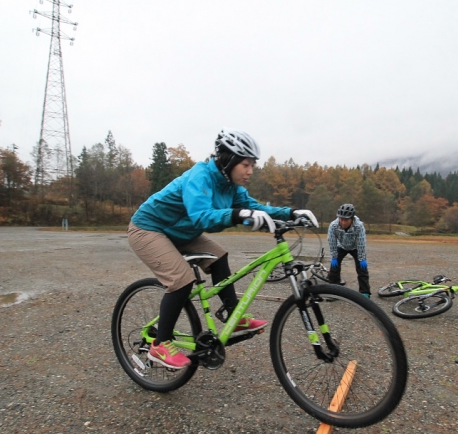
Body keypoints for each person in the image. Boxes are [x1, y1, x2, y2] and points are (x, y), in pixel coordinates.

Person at [127, 128, 319, 369]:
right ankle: (160, 343)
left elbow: (252, 206)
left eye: (252, 165)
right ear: (229, 161)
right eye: (246, 165)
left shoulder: (232, 185)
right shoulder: (200, 176)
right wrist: (239, 215)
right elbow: (201, 217)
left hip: (180, 231)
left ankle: (232, 315)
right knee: (181, 280)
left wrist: (290, 212)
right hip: (149, 228)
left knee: (219, 257)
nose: (250, 171)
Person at [327, 203, 371, 298]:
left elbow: (361, 242)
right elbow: (331, 241)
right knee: (334, 268)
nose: (343, 222)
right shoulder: (333, 226)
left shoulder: (359, 226)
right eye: (341, 219)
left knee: (362, 268)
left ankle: (365, 292)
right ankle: (334, 291)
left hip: (355, 247)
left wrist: (362, 258)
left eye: (346, 220)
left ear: (352, 218)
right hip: (341, 246)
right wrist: (334, 257)